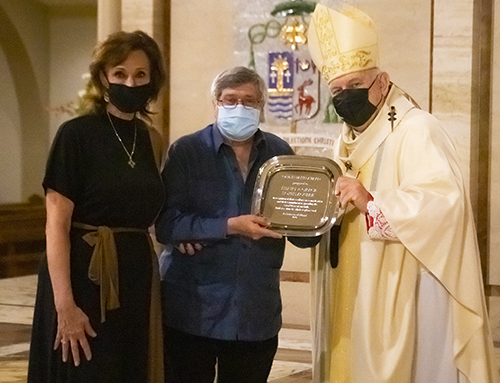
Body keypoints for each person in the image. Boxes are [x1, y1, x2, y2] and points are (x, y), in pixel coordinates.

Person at [306, 3, 499, 383]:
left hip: (404, 284)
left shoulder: (417, 129)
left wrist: (371, 202)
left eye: (356, 86)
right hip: (352, 280)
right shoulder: (344, 140)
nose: (346, 97)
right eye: (337, 89)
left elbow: (446, 206)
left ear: (381, 82)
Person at [155, 66, 318, 383]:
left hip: (255, 311)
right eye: (230, 100)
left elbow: (300, 231)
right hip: (193, 310)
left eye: (249, 101)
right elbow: (166, 224)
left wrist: (319, 212)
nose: (239, 108)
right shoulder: (187, 151)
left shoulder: (279, 155)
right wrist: (229, 226)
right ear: (216, 104)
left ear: (261, 107)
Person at [28, 30, 167, 383]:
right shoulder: (75, 134)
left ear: (153, 81)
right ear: (103, 77)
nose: (129, 82)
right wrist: (65, 306)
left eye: (140, 75)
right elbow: (56, 225)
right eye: (119, 73)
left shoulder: (152, 139)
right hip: (81, 276)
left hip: (135, 278)